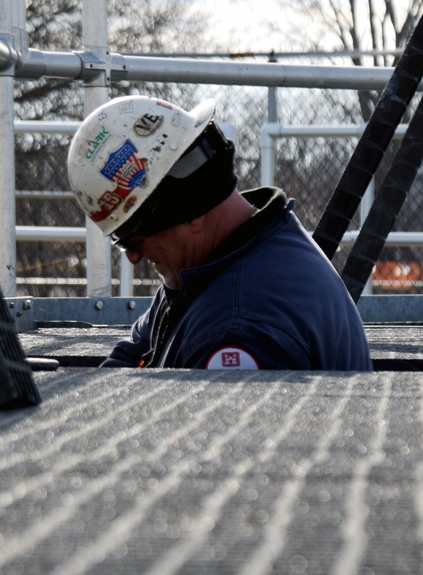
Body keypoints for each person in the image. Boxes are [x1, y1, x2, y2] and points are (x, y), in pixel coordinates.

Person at [66, 95, 372, 370]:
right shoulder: (213, 266)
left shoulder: (235, 327)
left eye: (133, 238)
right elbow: (131, 358)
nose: (133, 256)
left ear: (190, 210)